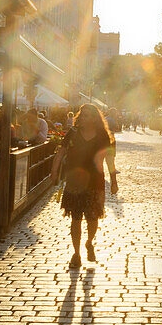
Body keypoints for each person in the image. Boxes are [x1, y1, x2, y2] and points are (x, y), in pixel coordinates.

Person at [50, 104, 119, 269]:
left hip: (95, 181)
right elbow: (61, 151)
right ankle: (76, 253)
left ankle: (89, 242)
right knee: (75, 218)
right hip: (75, 181)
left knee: (93, 218)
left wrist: (114, 180)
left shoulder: (102, 135)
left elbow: (109, 158)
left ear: (94, 118)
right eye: (83, 115)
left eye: (88, 115)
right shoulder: (73, 133)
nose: (84, 118)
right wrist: (54, 171)